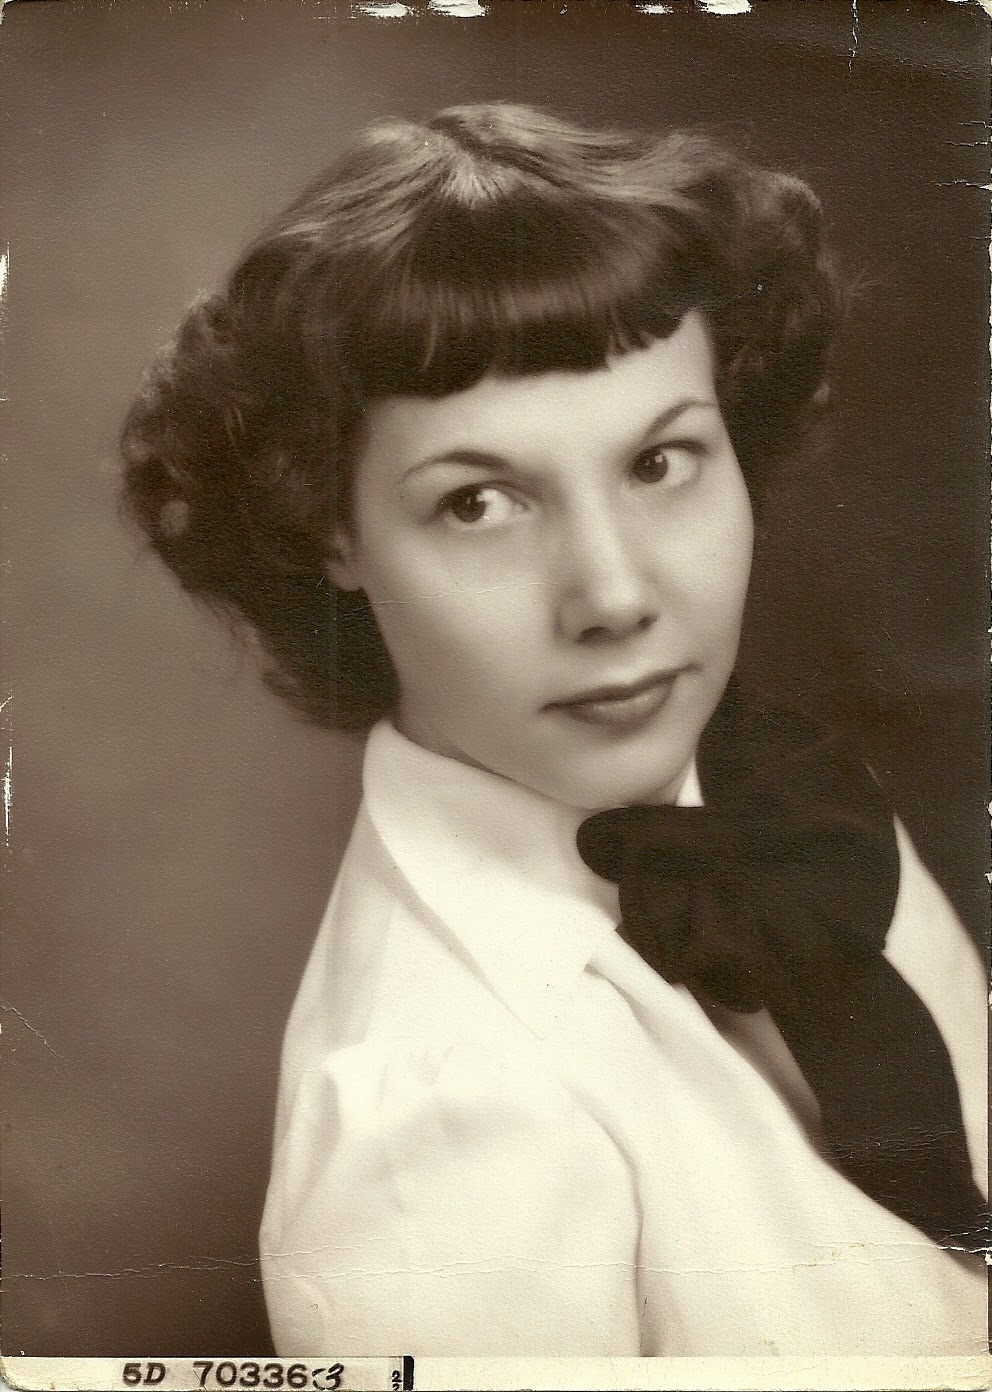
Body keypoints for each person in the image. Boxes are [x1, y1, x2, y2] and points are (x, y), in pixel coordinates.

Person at [120, 103, 987, 1358]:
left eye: (658, 464)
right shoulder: (440, 1129)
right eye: (479, 502)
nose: (615, 596)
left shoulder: (786, 798)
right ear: (330, 532)